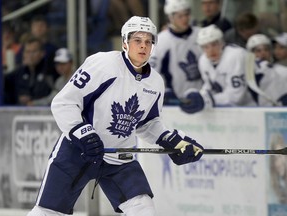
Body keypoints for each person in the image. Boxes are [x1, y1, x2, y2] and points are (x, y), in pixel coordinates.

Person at [26, 16, 204, 216]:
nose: (143, 46)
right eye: (137, 40)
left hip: (119, 158)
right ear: (125, 42)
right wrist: (82, 133)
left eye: (148, 41)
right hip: (77, 151)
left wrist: (170, 140)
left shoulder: (155, 82)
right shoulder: (102, 64)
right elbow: (64, 102)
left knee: (143, 209)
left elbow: (147, 123)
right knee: (47, 213)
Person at [180, 24, 255, 114]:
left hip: (257, 105)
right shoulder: (203, 60)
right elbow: (209, 87)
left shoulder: (235, 55)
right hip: (235, 111)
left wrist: (206, 99)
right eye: (205, 47)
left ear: (221, 43)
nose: (211, 50)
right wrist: (198, 96)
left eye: (214, 44)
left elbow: (236, 97)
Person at [149, 0, 203, 105]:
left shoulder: (201, 34)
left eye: (186, 14)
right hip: (174, 101)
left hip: (202, 99)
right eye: (180, 16)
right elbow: (152, 73)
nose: (185, 19)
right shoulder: (160, 41)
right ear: (170, 17)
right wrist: (163, 92)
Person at [4, 36, 53, 105]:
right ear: (23, 54)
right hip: (18, 113)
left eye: (34, 51)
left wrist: (34, 102)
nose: (30, 55)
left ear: (42, 53)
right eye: (27, 51)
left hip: (43, 113)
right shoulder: (18, 73)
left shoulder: (49, 72)